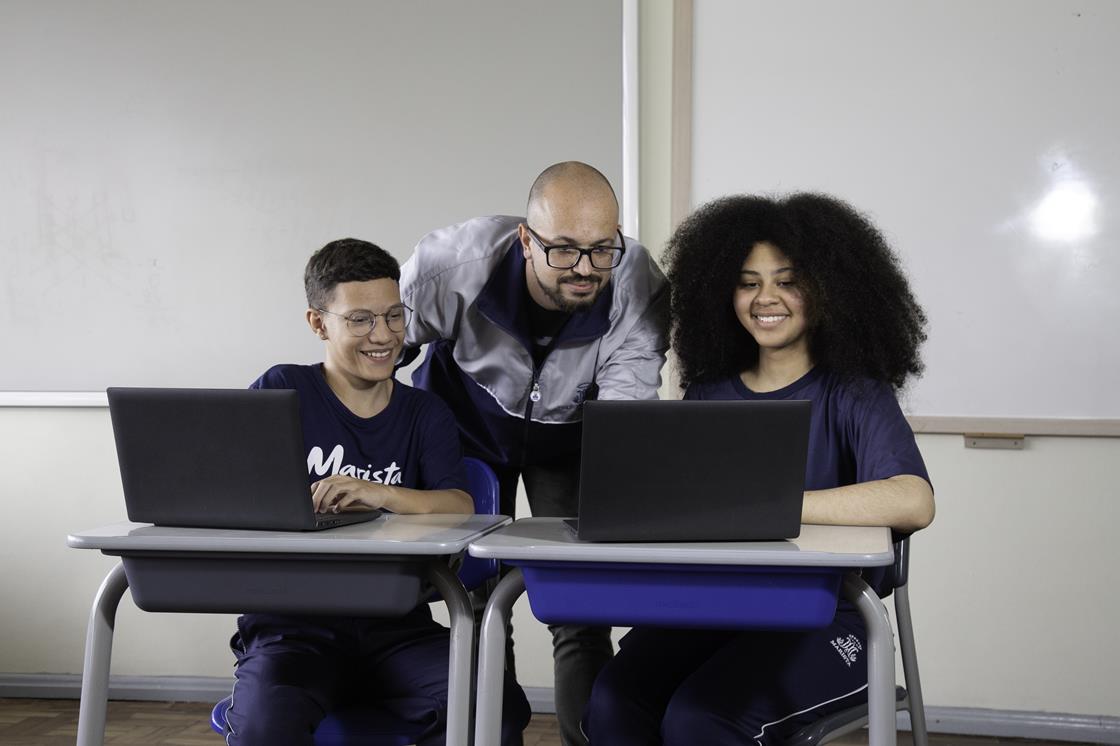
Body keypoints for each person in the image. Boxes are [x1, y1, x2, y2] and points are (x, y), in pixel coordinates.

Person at [584, 193, 936, 745]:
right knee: (612, 702)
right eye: (748, 282)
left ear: (826, 290)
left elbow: (914, 501)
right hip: (715, 609)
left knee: (702, 719)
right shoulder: (708, 393)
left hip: (830, 618)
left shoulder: (855, 393)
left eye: (786, 280)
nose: (765, 298)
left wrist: (772, 508)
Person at [400, 161, 669, 745]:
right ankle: (494, 737)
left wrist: (612, 519)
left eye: (602, 249)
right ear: (526, 238)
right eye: (564, 250)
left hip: (572, 433)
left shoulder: (638, 287)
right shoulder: (448, 266)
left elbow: (623, 420)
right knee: (472, 597)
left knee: (579, 604)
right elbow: (374, 353)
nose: (585, 268)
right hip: (464, 423)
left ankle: (589, 739)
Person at [222, 238, 530, 746]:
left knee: (492, 709)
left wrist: (380, 494)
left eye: (393, 316)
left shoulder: (424, 413)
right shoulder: (281, 390)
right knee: (263, 728)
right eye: (361, 320)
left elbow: (458, 506)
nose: (383, 336)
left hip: (396, 628)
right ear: (318, 323)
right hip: (293, 631)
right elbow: (236, 497)